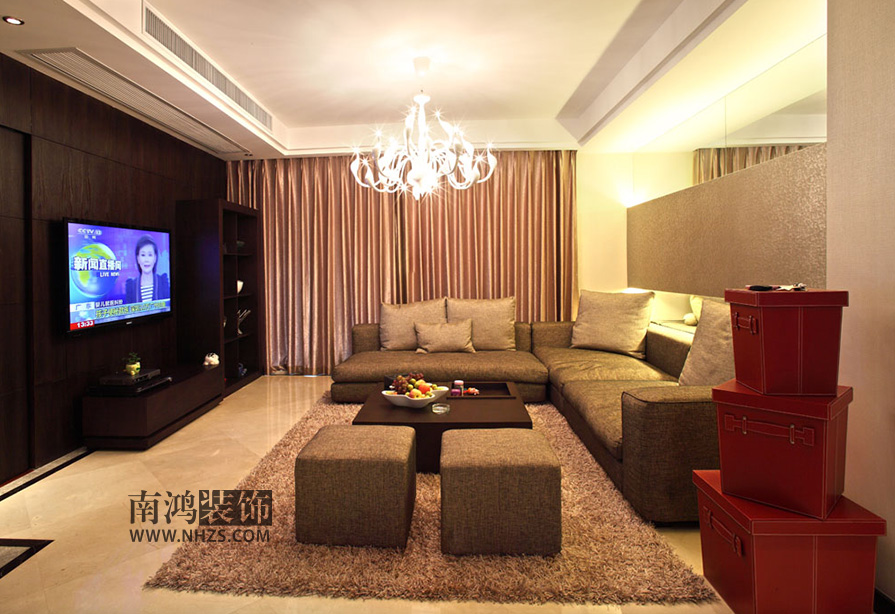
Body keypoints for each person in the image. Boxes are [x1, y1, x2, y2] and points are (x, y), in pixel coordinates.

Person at [125, 235, 170, 303]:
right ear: (138, 258)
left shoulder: (163, 282)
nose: (146, 260)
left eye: (150, 255)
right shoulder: (131, 286)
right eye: (143, 255)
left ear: (155, 258)